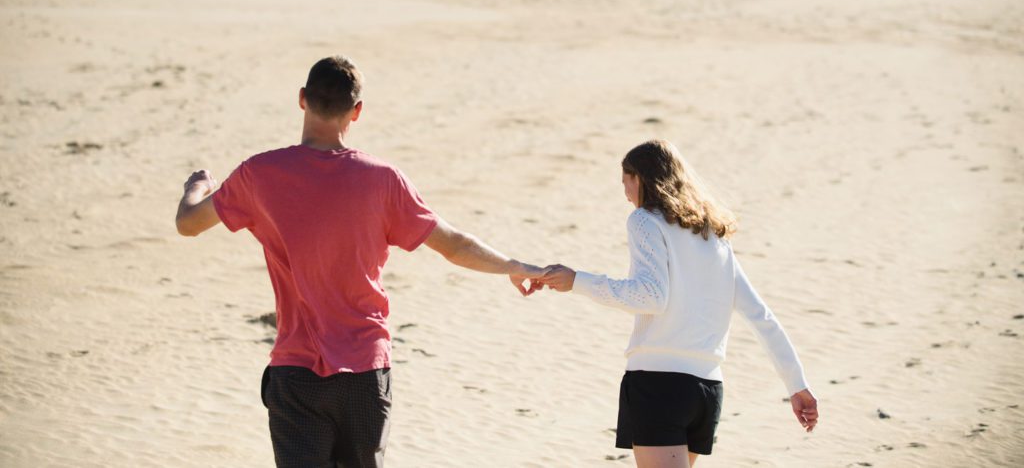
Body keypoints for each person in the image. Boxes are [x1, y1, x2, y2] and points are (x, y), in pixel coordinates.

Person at [174, 55, 545, 468]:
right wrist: (514, 266)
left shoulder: (259, 174)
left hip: (295, 372)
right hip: (365, 370)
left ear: (302, 100)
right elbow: (455, 244)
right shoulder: (382, 178)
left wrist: (198, 187)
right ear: (357, 111)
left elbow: (188, 225)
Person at [539, 139, 818, 467]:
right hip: (708, 390)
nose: (625, 193)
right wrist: (796, 385)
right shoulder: (713, 237)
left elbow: (649, 296)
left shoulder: (645, 220)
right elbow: (761, 316)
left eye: (625, 183)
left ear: (639, 178)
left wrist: (577, 281)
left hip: (659, 386)